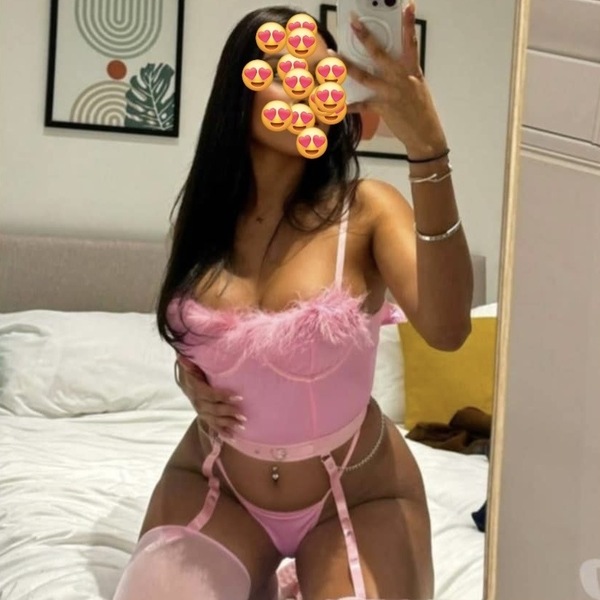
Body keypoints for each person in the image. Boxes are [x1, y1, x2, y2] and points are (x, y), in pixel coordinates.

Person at [113, 4, 473, 600]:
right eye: (287, 72)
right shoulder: (203, 223)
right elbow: (195, 338)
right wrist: (188, 379)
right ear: (240, 93)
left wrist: (428, 149)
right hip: (218, 484)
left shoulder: (367, 210)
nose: (310, 89)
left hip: (358, 492)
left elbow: (449, 328)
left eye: (324, 74)